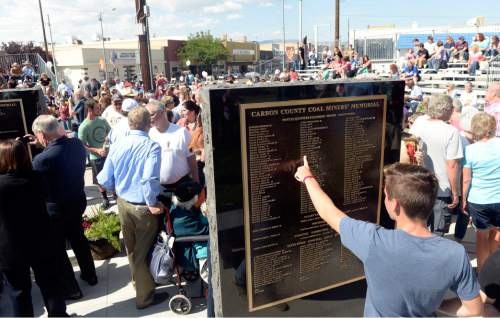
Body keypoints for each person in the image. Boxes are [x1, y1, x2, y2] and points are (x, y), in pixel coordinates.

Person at [294, 160, 482, 317]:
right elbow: (473, 309)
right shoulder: (455, 254)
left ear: (395, 205)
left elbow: (328, 212)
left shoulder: (373, 241)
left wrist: (307, 177)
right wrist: (432, 305)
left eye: (386, 195)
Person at [97, 107, 167, 309]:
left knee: (132, 249)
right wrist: (152, 203)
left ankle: (139, 283)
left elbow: (104, 177)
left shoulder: (119, 143)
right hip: (142, 207)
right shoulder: (151, 147)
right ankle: (145, 298)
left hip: (123, 203)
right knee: (143, 253)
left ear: (129, 124)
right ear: (149, 124)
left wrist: (115, 190)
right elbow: (149, 179)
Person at [29, 115, 97, 298]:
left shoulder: (41, 160)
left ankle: (72, 289)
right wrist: (42, 140)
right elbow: (62, 140)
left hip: (56, 210)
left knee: (58, 249)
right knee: (78, 238)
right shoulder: (76, 144)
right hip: (77, 201)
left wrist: (41, 145)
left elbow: (38, 189)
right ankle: (90, 274)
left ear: (42, 135)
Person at [0, 140, 69, 317]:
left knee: (18, 292)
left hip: (10, 247)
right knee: (50, 283)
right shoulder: (36, 178)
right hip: (41, 239)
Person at [410, 94, 463, 236]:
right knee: (437, 233)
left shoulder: (418, 123)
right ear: (445, 110)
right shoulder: (451, 131)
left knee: (417, 231)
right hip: (441, 190)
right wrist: (455, 192)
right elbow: (452, 165)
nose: (453, 111)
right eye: (451, 108)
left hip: (418, 185)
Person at [462, 112, 500, 270]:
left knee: (481, 236)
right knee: (496, 233)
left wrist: (463, 199)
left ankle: (482, 270)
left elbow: (466, 179)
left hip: (478, 199)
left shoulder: (470, 150)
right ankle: (494, 268)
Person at [146, 101, 199, 193]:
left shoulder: (182, 132)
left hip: (182, 186)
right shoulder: (148, 135)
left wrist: (196, 183)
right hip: (159, 188)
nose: (149, 118)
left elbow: (192, 158)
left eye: (151, 114)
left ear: (162, 112)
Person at [78, 99, 112, 208]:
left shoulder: (102, 120)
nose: (100, 109)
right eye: (97, 108)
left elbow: (111, 133)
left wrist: (107, 141)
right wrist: (97, 150)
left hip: (109, 154)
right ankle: (105, 198)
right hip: (96, 157)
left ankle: (116, 195)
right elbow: (82, 145)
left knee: (114, 176)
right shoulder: (83, 126)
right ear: (89, 109)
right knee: (100, 180)